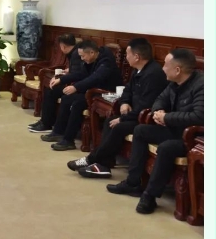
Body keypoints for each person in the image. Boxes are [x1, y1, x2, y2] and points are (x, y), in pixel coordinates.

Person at [107, 49, 203, 214]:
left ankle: (150, 196)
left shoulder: (202, 85)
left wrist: (167, 118)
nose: (163, 68)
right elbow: (159, 99)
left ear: (177, 70)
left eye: (165, 65)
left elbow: (199, 117)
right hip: (174, 129)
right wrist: (158, 112)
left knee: (166, 147)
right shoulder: (174, 82)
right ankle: (133, 182)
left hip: (193, 138)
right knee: (140, 130)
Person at [68, 38, 168, 177]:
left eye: (128, 54)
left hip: (146, 118)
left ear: (137, 57)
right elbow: (127, 90)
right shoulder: (138, 70)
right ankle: (104, 165)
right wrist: (124, 102)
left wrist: (123, 119)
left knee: (118, 126)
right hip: (134, 113)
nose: (126, 58)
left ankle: (92, 159)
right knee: (110, 122)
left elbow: (146, 105)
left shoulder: (153, 74)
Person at [40, 40, 123, 150]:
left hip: (104, 94)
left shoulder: (106, 61)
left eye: (83, 56)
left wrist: (76, 87)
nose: (81, 58)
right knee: (66, 98)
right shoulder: (91, 59)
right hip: (92, 90)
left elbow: (95, 78)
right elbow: (82, 74)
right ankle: (58, 132)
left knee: (77, 104)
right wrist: (61, 79)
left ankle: (68, 140)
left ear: (92, 53)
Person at [28, 34, 84, 133]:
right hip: (74, 83)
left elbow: (78, 74)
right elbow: (77, 70)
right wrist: (67, 71)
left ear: (63, 46)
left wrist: (60, 79)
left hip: (77, 87)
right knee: (50, 90)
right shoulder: (74, 52)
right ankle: (45, 121)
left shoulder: (75, 54)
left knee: (51, 90)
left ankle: (46, 123)